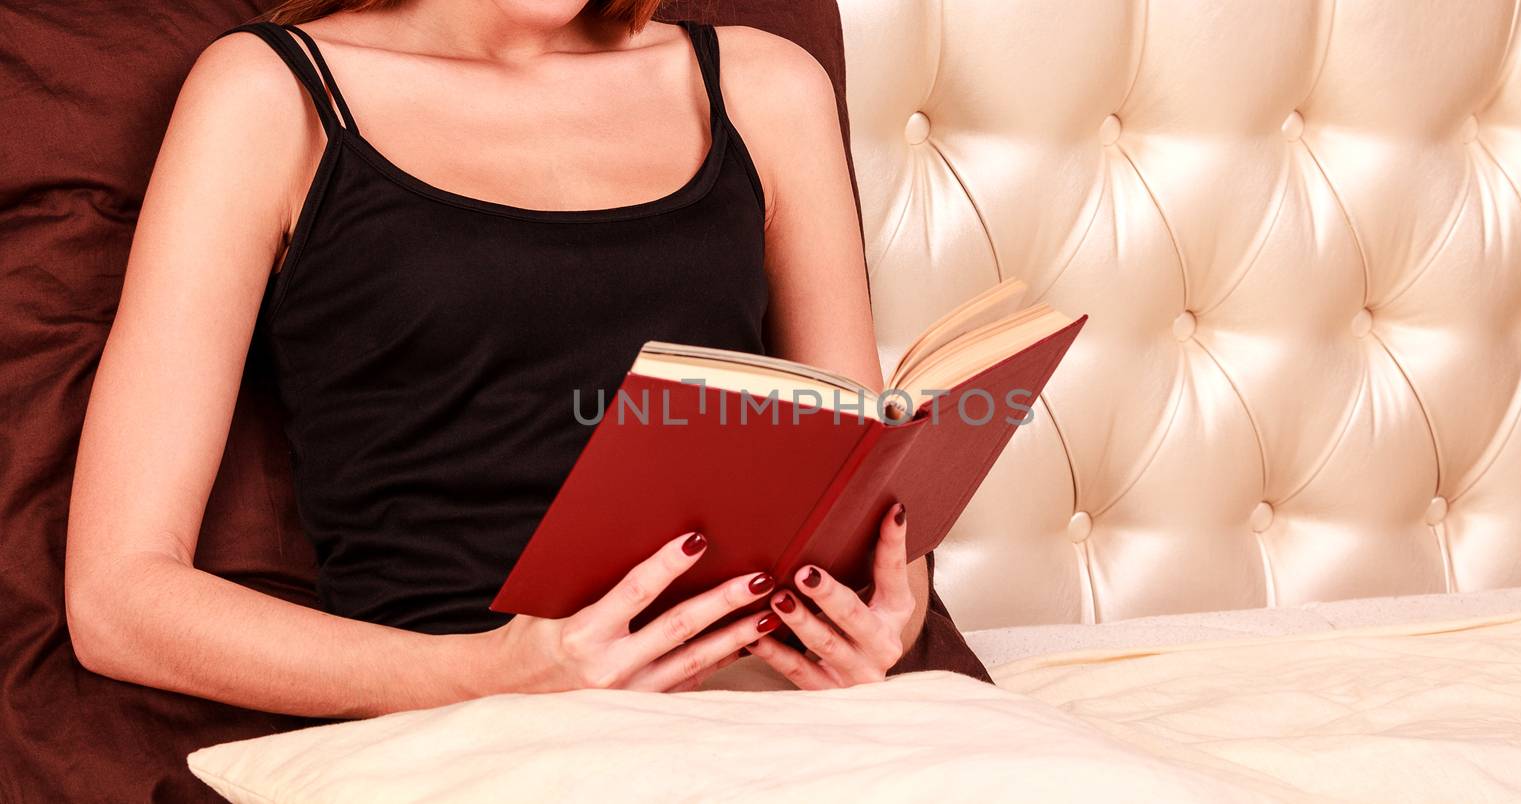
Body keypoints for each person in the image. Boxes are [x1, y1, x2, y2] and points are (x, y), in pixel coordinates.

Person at [65, 0, 989, 720]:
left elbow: (863, 499)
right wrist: (491, 673)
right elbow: (117, 597)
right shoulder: (266, 93)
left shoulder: (766, 85)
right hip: (475, 726)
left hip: (781, 715)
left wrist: (881, 623)